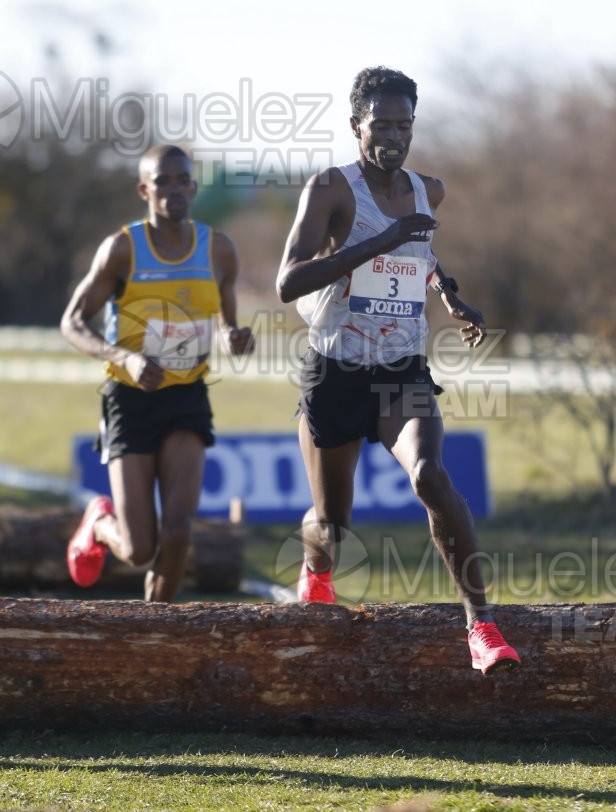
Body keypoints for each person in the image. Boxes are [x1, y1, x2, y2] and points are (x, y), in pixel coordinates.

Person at [276, 66, 520, 675]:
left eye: (403, 124)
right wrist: (378, 241)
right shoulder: (330, 188)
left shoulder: (426, 189)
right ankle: (315, 569)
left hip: (400, 368)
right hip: (335, 370)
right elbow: (289, 281)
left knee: (431, 474)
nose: (393, 135)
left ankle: (481, 626)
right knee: (331, 525)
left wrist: (449, 293)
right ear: (356, 125)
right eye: (380, 123)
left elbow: (420, 253)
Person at [61, 144, 254, 602]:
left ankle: (157, 632)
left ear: (193, 184)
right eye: (160, 181)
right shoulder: (123, 249)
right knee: (138, 548)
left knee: (179, 532)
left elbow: (227, 323)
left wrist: (233, 338)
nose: (173, 189)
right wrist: (124, 357)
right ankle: (98, 522)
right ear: (143, 189)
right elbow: (72, 321)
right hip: (129, 399)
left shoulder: (219, 250)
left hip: (186, 397)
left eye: (181, 179)